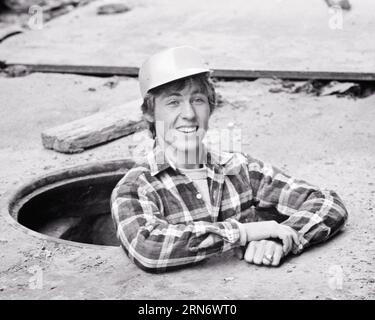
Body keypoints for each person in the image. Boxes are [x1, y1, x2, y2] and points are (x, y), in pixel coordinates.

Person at [110, 46, 348, 273]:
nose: (189, 114)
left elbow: (327, 202)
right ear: (150, 113)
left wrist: (282, 236)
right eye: (173, 102)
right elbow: (149, 247)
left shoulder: (238, 168)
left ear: (210, 106)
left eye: (198, 100)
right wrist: (244, 233)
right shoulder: (135, 187)